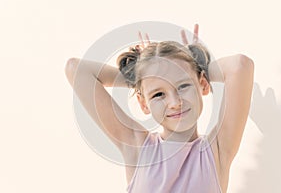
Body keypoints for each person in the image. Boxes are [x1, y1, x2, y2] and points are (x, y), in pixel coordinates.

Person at [65, 24, 254, 193]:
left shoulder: (217, 153)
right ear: (143, 103)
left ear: (203, 84)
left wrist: (195, 69)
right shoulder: (138, 148)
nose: (174, 102)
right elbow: (76, 69)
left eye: (183, 86)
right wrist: (144, 76)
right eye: (158, 94)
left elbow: (240, 66)